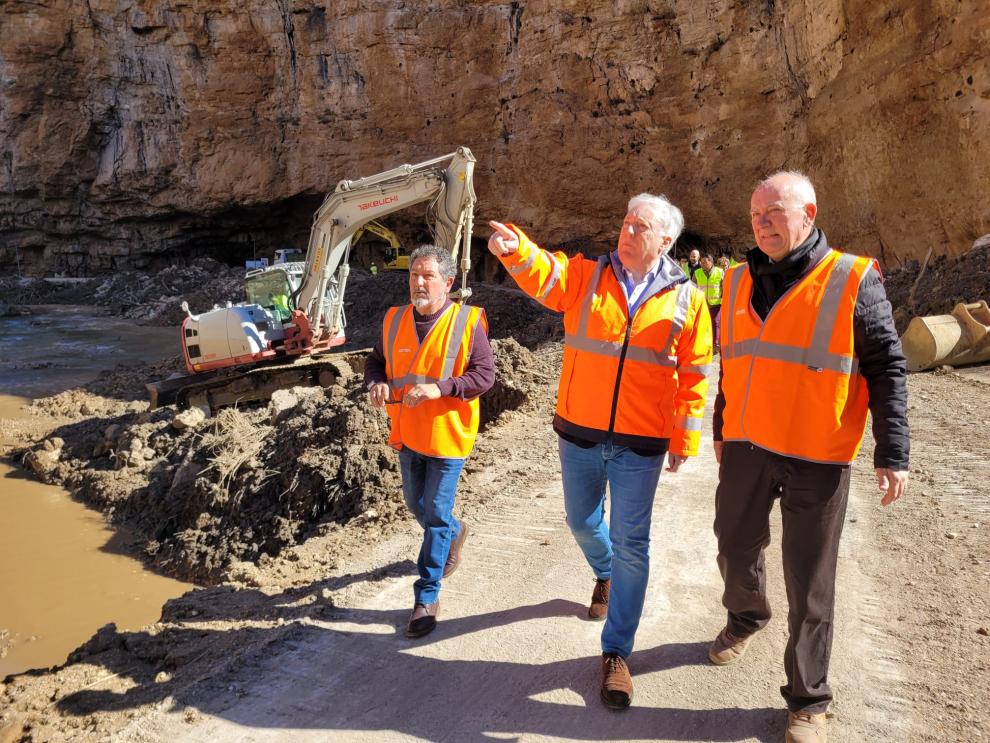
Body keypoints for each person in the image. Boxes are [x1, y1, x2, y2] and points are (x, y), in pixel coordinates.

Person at [488, 193, 712, 710]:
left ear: (666, 241)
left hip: (641, 443)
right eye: (626, 222)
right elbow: (547, 274)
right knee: (582, 522)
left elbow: (695, 374)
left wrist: (684, 438)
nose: (627, 232)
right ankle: (604, 571)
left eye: (641, 227)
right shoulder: (588, 276)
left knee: (634, 543)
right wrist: (516, 250)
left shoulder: (687, 298)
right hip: (581, 433)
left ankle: (617, 652)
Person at [710, 171, 910, 743]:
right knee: (733, 547)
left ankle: (808, 700)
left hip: (817, 456)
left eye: (774, 212)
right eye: (756, 215)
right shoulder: (736, 279)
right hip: (747, 445)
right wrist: (721, 427)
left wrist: (893, 450)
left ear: (809, 213)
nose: (762, 224)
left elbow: (886, 367)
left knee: (810, 582)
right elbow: (732, 362)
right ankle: (747, 615)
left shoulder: (851, 278)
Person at [365, 245, 495, 638]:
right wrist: (375, 383)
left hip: (447, 436)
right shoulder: (394, 320)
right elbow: (375, 361)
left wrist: (442, 388)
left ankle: (426, 596)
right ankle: (455, 531)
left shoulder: (466, 322)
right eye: (414, 275)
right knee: (416, 505)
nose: (418, 283)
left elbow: (484, 375)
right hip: (408, 433)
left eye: (428, 276)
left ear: (448, 282)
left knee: (435, 515)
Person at [692, 254, 724, 349]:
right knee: (702, 324)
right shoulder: (697, 273)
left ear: (711, 262)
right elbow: (693, 288)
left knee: (715, 323)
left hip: (716, 303)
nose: (702, 264)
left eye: (705, 262)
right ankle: (704, 343)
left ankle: (715, 344)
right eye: (701, 262)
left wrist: (724, 299)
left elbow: (724, 286)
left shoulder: (720, 272)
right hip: (702, 304)